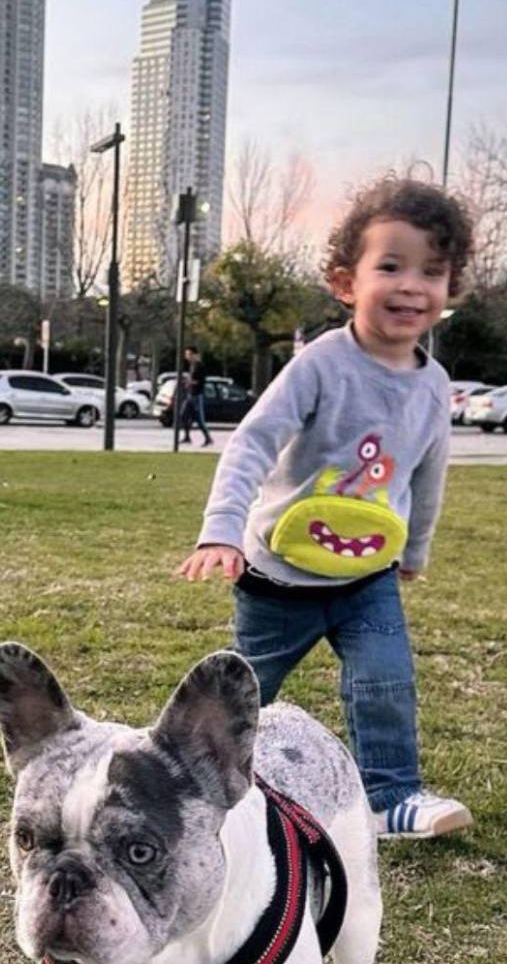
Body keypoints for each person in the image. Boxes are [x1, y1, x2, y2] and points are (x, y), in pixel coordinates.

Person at [179, 174, 473, 840]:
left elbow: (427, 475)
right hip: (278, 579)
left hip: (366, 579)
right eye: (390, 265)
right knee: (245, 690)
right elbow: (252, 442)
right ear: (346, 281)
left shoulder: (433, 386)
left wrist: (413, 551)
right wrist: (220, 530)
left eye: (432, 270)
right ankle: (199, 783)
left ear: (449, 287)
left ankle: (390, 797)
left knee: (385, 682)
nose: (410, 285)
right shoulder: (320, 366)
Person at [180, 345, 212, 446]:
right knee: (183, 415)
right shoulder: (192, 366)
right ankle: (187, 437)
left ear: (195, 355)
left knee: (200, 420)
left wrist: (189, 381)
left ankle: (208, 439)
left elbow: (200, 381)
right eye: (186, 354)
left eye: (189, 354)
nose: (187, 356)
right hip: (190, 395)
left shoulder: (200, 366)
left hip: (197, 395)